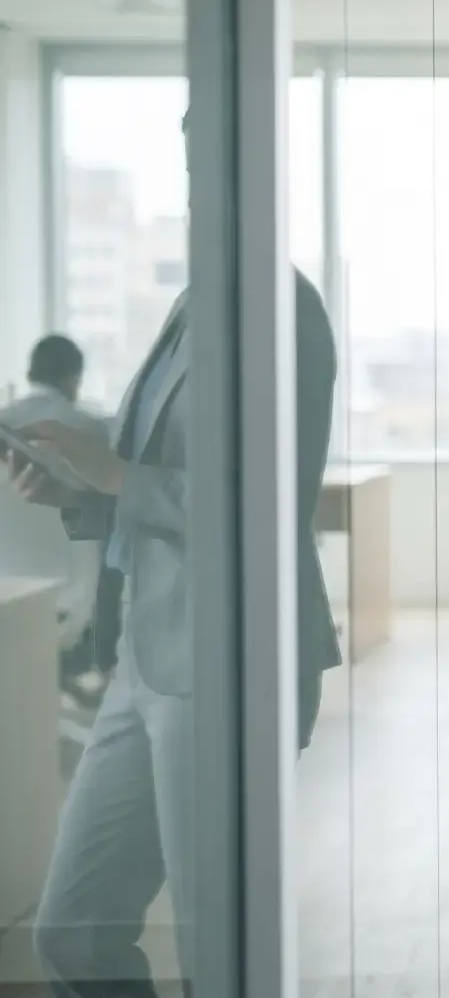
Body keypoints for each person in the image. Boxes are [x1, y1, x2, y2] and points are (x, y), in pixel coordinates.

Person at [7, 278, 340, 991]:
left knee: (215, 954)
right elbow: (158, 483)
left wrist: (117, 474)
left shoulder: (282, 310)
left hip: (225, 666)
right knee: (72, 932)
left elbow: (268, 503)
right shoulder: (193, 302)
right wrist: (79, 490)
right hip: (143, 656)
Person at [1, 336, 113, 700]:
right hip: (74, 604)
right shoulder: (91, 430)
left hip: (12, 598)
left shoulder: (4, 425)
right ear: (73, 380)